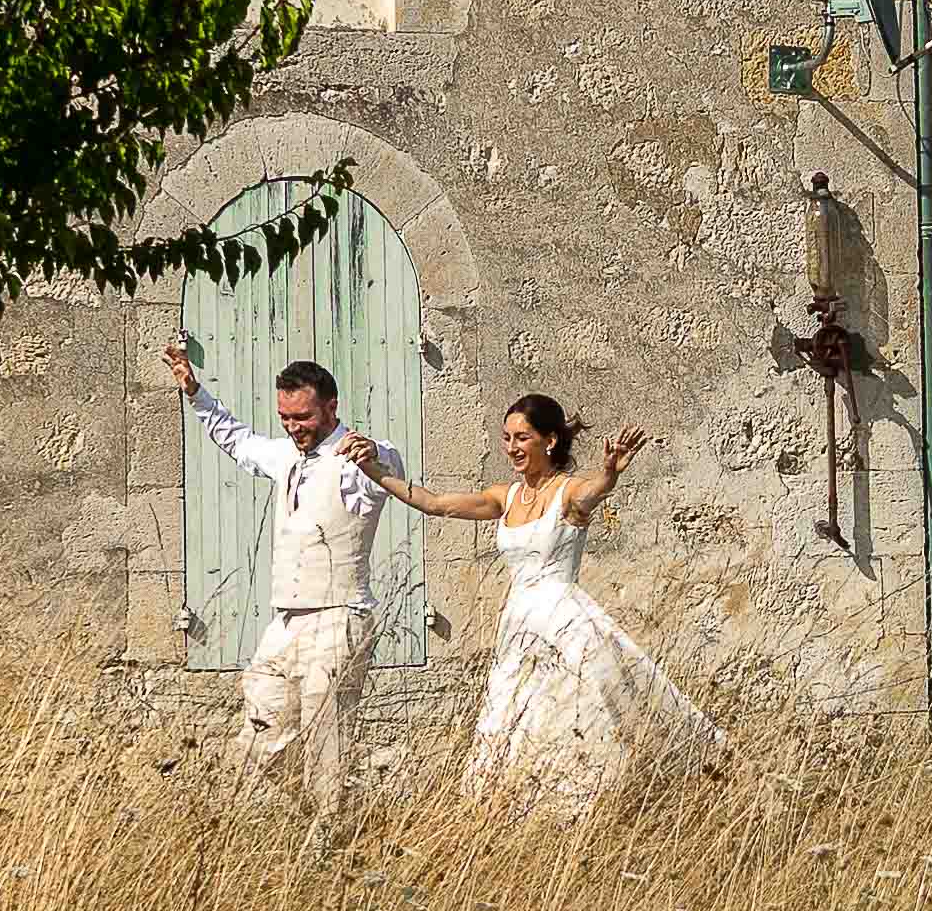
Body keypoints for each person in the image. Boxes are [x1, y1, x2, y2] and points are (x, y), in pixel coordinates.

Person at [375, 390, 725, 816]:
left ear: (550, 440)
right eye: (507, 438)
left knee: (572, 716)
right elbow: (433, 504)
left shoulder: (567, 492)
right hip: (518, 627)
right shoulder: (504, 496)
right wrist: (374, 470)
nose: (511, 447)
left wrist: (609, 475)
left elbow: (590, 494)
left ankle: (586, 812)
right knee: (511, 720)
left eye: (522, 438)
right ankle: (517, 815)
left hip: (564, 622)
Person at [168, 330, 404, 825]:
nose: (295, 427)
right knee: (261, 727)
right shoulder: (285, 456)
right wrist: (195, 391)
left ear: (331, 408)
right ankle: (315, 816)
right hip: (287, 621)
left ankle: (329, 834)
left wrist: (374, 455)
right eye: (286, 418)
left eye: (304, 417)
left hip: (340, 617)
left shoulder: (358, 460)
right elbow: (237, 440)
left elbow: (389, 466)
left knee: (326, 736)